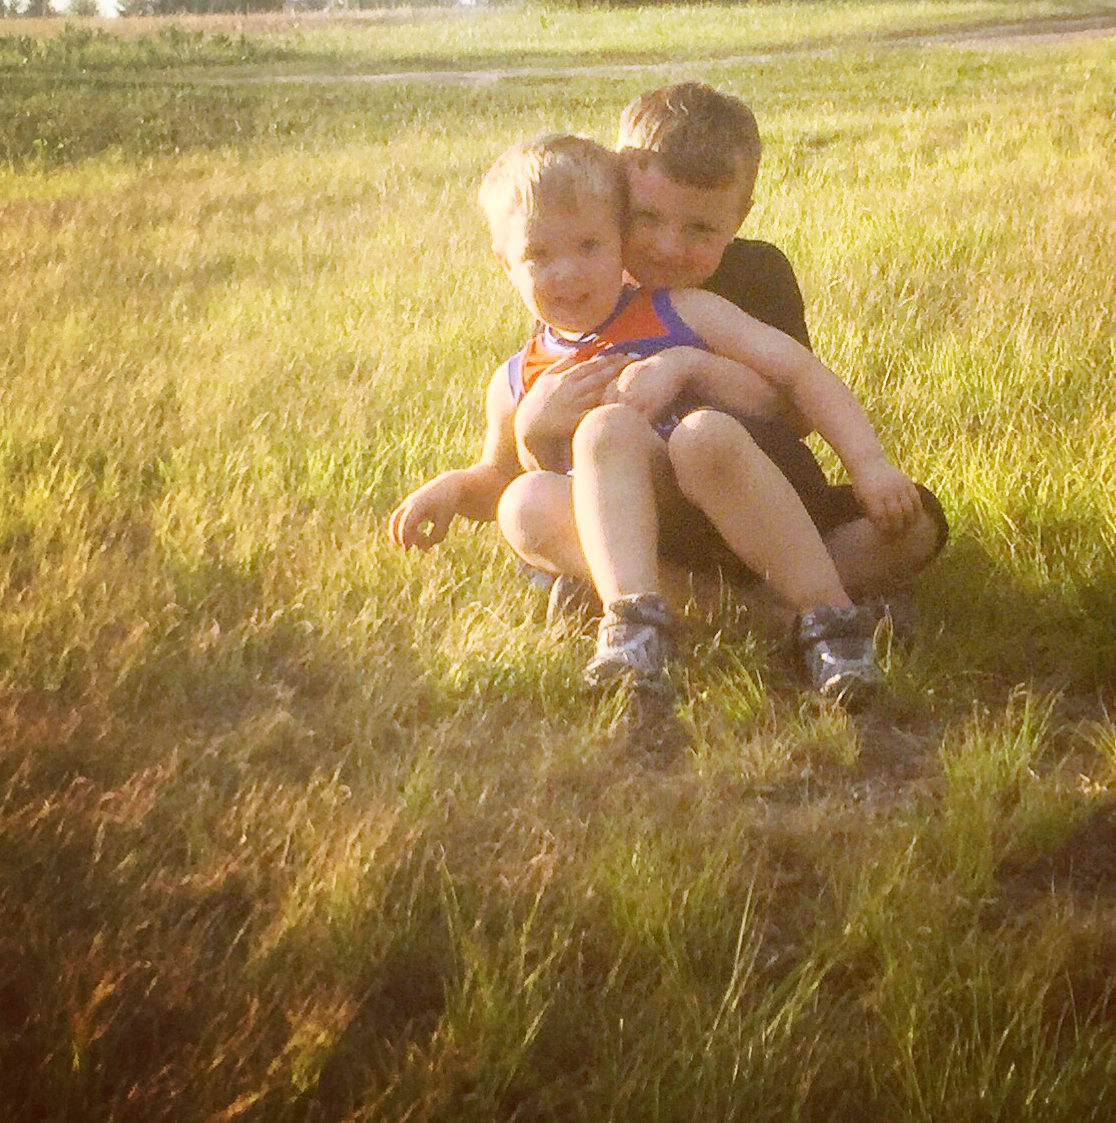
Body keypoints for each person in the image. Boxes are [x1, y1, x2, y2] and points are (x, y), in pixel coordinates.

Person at [387, 134, 928, 704]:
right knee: (522, 505)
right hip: (647, 551)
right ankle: (648, 625)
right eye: (539, 255)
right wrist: (454, 487)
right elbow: (500, 476)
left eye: (589, 246)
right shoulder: (516, 379)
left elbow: (800, 373)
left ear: (622, 242)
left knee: (702, 435)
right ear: (504, 262)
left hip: (740, 505)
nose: (567, 273)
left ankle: (831, 620)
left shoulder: (681, 311)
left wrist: (869, 465)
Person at [507, 83, 948, 618]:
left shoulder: (757, 272)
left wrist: (688, 365)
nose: (668, 247)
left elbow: (794, 409)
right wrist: (531, 425)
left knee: (916, 523)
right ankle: (781, 615)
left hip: (773, 502)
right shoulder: (585, 283)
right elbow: (554, 454)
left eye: (700, 228)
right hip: (646, 518)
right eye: (647, 218)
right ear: (617, 199)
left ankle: (698, 605)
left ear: (739, 217)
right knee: (527, 507)